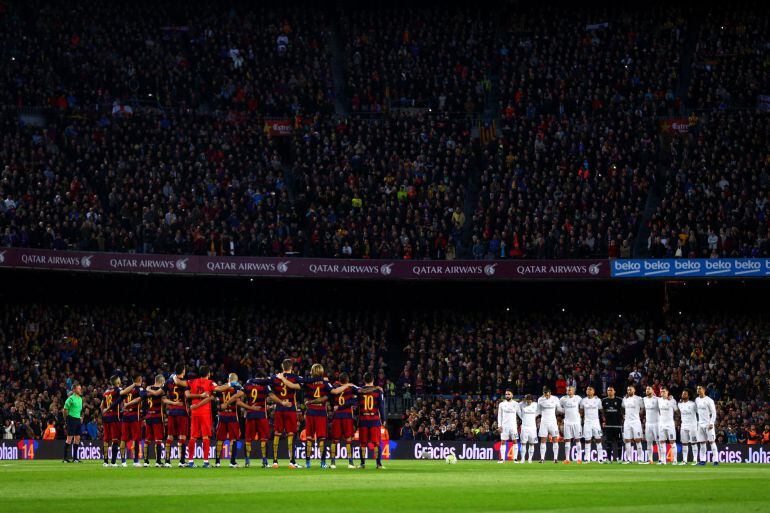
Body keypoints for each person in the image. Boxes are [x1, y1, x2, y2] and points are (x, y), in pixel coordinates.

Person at [185, 366, 229, 468]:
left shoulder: (192, 381)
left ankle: (190, 461)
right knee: (205, 436)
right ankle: (205, 462)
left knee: (193, 436)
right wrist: (231, 383)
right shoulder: (210, 383)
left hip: (194, 412)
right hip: (204, 412)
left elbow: (185, 388)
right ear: (208, 374)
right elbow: (220, 388)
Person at [240, 375, 286, 468]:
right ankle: (265, 461)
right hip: (261, 415)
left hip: (250, 415)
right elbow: (272, 395)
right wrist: (281, 402)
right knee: (264, 438)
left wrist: (247, 407)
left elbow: (239, 398)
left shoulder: (247, 385)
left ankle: (247, 461)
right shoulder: (265, 386)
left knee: (248, 439)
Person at [295, 364, 333, 469]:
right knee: (321, 438)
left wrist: (307, 401)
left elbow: (305, 397)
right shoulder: (325, 383)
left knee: (309, 438)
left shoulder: (308, 382)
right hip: (321, 411)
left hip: (310, 411)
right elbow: (329, 395)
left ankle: (308, 462)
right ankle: (323, 462)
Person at [271, 359, 303, 468]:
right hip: (290, 408)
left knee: (277, 433)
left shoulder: (275, 377)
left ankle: (275, 462)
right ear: (292, 367)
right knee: (291, 434)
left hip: (279, 408)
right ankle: (291, 462)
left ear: (282, 366)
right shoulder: (295, 377)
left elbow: (269, 391)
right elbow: (299, 386)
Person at [101, 375, 137, 467]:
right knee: (115, 440)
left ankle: (105, 462)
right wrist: (134, 385)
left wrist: (104, 411)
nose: (121, 380)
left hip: (105, 417)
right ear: (117, 382)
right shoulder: (117, 389)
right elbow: (124, 392)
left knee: (106, 439)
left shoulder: (106, 392)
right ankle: (113, 462)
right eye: (119, 379)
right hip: (113, 417)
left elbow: (101, 406)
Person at [214, 373, 244, 468]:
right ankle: (232, 462)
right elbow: (238, 401)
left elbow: (216, 402)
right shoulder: (237, 387)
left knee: (220, 439)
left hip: (222, 416)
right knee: (233, 439)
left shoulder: (222, 388)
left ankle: (217, 462)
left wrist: (221, 406)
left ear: (228, 379)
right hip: (232, 416)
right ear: (236, 380)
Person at [329, 373, 358, 469]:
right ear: (348, 379)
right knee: (348, 440)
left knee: (335, 440)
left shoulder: (335, 388)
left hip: (337, 416)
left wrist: (334, 405)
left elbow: (330, 397)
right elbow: (361, 391)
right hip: (347, 416)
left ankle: (333, 463)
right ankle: (350, 463)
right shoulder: (351, 388)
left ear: (339, 380)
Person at [357, 372, 385, 469]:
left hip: (363, 420)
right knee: (377, 443)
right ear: (373, 380)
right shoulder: (378, 391)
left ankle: (362, 464)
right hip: (374, 420)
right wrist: (384, 418)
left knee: (363, 443)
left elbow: (357, 406)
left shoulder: (359, 391)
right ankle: (378, 464)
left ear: (364, 380)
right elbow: (381, 406)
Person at [164, 365, 189, 467]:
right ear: (183, 371)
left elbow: (162, 397)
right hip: (182, 411)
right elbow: (187, 395)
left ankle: (167, 461)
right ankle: (182, 461)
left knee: (169, 437)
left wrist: (172, 403)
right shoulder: (185, 382)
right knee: (182, 436)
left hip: (171, 412)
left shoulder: (169, 381)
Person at [120, 376, 145, 467]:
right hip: (135, 415)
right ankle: (135, 461)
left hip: (126, 415)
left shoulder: (126, 389)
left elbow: (121, 397)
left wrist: (125, 405)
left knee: (124, 438)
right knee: (136, 438)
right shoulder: (140, 389)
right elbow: (140, 398)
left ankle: (123, 462)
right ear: (139, 380)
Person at [143, 374, 166, 467]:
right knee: (158, 440)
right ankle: (158, 462)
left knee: (147, 439)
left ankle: (146, 461)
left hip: (148, 416)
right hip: (157, 417)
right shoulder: (161, 390)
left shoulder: (148, 389)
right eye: (163, 382)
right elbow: (163, 400)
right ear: (160, 381)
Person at [695, 385, 719, 466]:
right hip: (700, 424)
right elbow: (697, 411)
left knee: (712, 442)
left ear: (704, 390)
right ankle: (702, 461)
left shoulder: (709, 400)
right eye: (697, 389)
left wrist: (711, 423)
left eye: (700, 388)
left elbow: (714, 412)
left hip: (708, 424)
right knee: (702, 443)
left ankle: (715, 461)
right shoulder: (697, 400)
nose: (698, 390)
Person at [537, 386, 562, 463]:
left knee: (555, 439)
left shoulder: (555, 399)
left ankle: (555, 459)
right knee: (543, 440)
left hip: (553, 422)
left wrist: (566, 411)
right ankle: (542, 458)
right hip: (544, 422)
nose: (546, 396)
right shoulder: (540, 399)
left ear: (550, 393)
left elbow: (559, 409)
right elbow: (539, 410)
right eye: (545, 395)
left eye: (547, 395)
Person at [580, 386, 604, 463]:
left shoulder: (597, 400)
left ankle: (600, 458)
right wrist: (580, 419)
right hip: (587, 422)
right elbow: (581, 411)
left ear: (593, 391)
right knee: (587, 440)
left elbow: (601, 410)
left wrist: (604, 418)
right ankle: (587, 459)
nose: (588, 391)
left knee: (598, 439)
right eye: (587, 389)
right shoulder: (583, 400)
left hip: (596, 422)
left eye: (590, 389)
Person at [622, 385, 644, 464]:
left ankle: (640, 459)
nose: (629, 391)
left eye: (630, 389)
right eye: (628, 390)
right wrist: (624, 415)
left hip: (635, 422)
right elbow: (622, 408)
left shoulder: (638, 399)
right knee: (627, 440)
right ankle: (629, 459)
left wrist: (639, 415)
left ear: (634, 390)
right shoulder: (625, 399)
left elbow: (643, 408)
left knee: (637, 440)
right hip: (627, 422)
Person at [62, 382, 84, 463]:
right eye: (79, 388)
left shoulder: (80, 399)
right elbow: (65, 409)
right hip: (71, 419)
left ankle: (75, 458)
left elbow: (79, 410)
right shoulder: (70, 399)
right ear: (74, 390)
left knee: (77, 439)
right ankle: (65, 458)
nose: (80, 390)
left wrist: (80, 417)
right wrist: (66, 419)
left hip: (77, 419)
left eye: (80, 388)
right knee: (69, 439)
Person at [496, 389, 520, 463]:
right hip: (504, 426)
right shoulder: (501, 404)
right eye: (506, 394)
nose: (507, 395)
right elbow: (499, 415)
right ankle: (502, 459)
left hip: (513, 426)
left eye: (509, 394)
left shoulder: (516, 404)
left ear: (512, 395)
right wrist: (499, 425)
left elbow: (519, 413)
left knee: (515, 441)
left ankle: (515, 458)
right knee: (503, 441)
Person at [560, 386, 582, 464]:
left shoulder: (578, 398)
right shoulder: (563, 399)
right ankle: (567, 459)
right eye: (567, 390)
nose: (569, 391)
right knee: (567, 440)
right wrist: (564, 411)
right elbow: (559, 408)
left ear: (574, 391)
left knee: (577, 439)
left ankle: (579, 458)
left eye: (570, 390)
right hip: (567, 422)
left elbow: (582, 407)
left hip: (576, 422)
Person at [656, 386, 677, 465]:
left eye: (664, 391)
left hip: (670, 424)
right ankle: (663, 460)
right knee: (662, 442)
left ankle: (674, 460)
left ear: (667, 392)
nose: (662, 393)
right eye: (661, 391)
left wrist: (672, 399)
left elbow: (677, 410)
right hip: (661, 424)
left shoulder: (672, 400)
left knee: (672, 442)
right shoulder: (659, 400)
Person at [602, 386, 623, 463]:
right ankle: (608, 459)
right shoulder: (604, 400)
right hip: (608, 425)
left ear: (614, 391)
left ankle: (620, 459)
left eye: (611, 390)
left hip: (617, 424)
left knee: (619, 442)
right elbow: (603, 411)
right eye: (608, 390)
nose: (609, 391)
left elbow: (622, 410)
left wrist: (622, 419)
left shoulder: (619, 400)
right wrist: (604, 418)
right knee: (608, 442)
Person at [677, 390, 698, 465]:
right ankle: (684, 461)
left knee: (693, 443)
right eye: (683, 393)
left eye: (685, 394)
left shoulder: (693, 404)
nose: (683, 395)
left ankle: (695, 460)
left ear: (688, 396)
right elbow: (678, 412)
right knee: (684, 444)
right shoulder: (679, 404)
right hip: (684, 426)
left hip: (692, 426)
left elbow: (699, 412)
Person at [517, 395, 539, 463]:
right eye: (527, 401)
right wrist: (522, 417)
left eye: (530, 401)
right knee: (523, 443)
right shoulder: (521, 404)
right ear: (525, 400)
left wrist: (534, 415)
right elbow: (517, 410)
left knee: (531, 443)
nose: (528, 402)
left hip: (532, 427)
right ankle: (523, 459)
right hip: (524, 427)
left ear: (532, 400)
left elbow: (539, 411)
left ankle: (530, 459)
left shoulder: (535, 405)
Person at [642, 386, 659, 464]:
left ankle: (661, 459)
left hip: (657, 423)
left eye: (649, 389)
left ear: (653, 390)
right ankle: (650, 460)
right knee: (649, 442)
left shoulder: (657, 400)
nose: (647, 390)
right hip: (648, 424)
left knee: (658, 442)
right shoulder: (644, 399)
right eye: (646, 389)